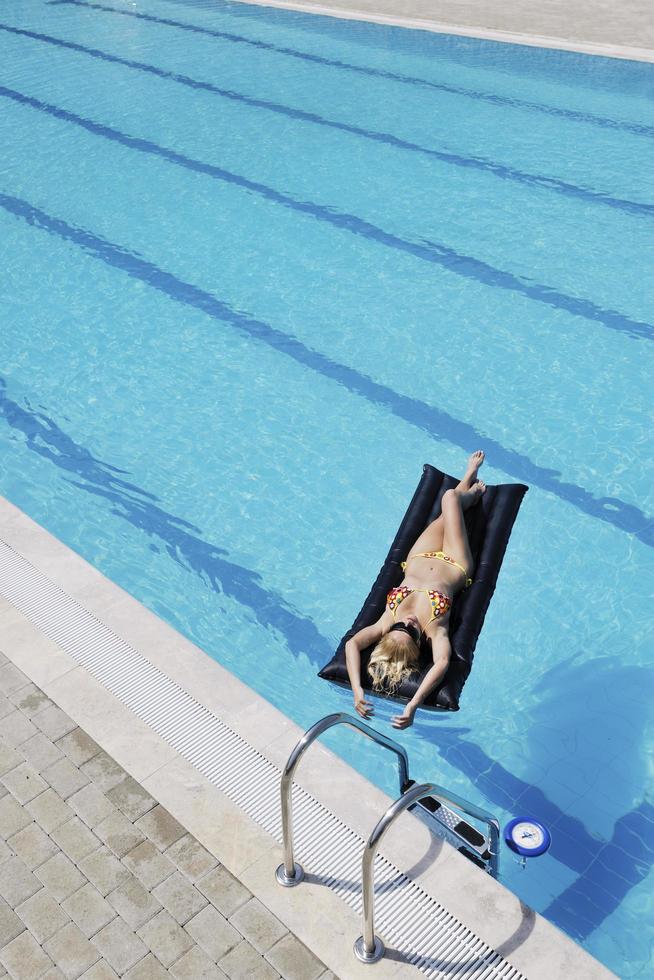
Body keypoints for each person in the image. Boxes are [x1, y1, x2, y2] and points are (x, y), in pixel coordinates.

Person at [345, 451, 486, 729]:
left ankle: (468, 487)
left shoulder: (386, 621)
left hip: (420, 556)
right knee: (449, 499)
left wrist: (356, 690)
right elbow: (442, 662)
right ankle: (471, 488)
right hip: (455, 562)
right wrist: (413, 704)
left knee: (449, 506)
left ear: (389, 632)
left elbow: (352, 644)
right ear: (417, 643)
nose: (408, 622)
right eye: (411, 631)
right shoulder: (435, 631)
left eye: (400, 626)